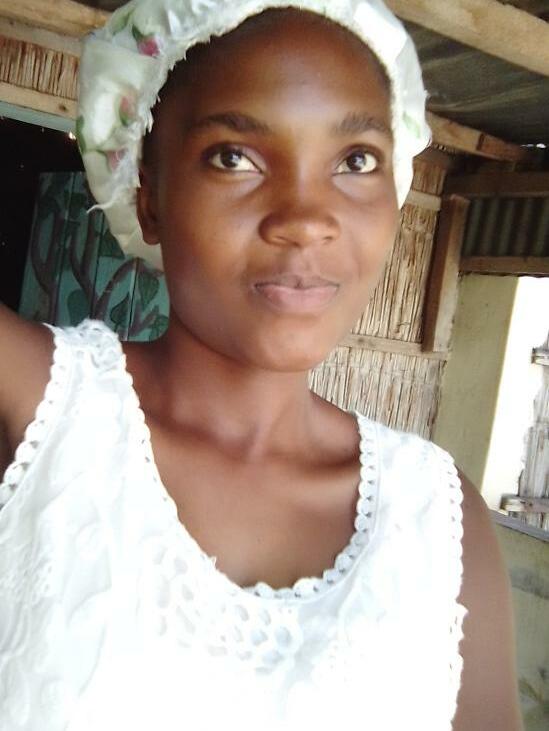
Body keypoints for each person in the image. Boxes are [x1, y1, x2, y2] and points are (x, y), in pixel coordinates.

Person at [0, 1, 523, 729]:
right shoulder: (32, 414)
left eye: (355, 161)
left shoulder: (438, 517)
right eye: (233, 157)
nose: (305, 218)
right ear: (149, 198)